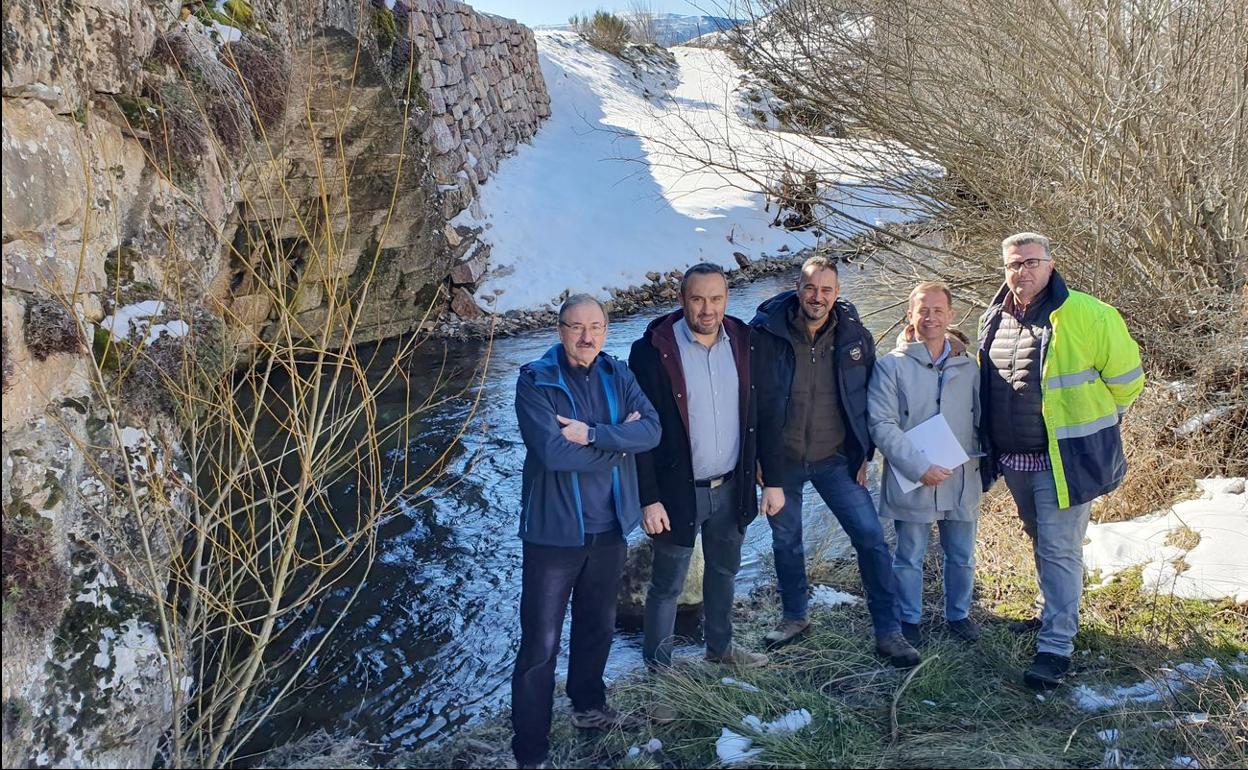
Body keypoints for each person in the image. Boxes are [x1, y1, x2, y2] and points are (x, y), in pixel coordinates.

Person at [978, 232, 1144, 689]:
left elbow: (1127, 381)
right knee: (1039, 539)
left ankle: (1056, 646)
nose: (1022, 271)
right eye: (1014, 264)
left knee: (1058, 547)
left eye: (1031, 262)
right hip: (1015, 460)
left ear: (1051, 265)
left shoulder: (1091, 315)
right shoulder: (994, 317)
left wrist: (1101, 423)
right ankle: (1051, 611)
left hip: (1065, 460)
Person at [511, 294, 661, 769]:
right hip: (554, 534)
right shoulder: (535, 380)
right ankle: (530, 749)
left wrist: (594, 434)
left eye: (595, 326)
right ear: (560, 330)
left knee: (597, 626)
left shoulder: (619, 374)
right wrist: (620, 441)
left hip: (610, 527)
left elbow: (653, 430)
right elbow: (554, 454)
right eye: (576, 327)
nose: (586, 336)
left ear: (605, 328)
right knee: (541, 643)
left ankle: (588, 709)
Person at [750, 254, 920, 668]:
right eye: (810, 288)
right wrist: (755, 457)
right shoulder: (764, 333)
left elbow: (870, 397)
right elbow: (749, 398)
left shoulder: (855, 338)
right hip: (781, 461)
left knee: (871, 539)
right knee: (787, 542)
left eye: (826, 290)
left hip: (836, 460)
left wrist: (864, 453)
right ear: (797, 289)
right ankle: (794, 618)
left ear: (837, 293)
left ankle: (888, 631)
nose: (817, 297)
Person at [629, 263, 784, 677]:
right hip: (679, 490)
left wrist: (774, 479)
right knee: (667, 586)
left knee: (723, 572)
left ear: (727, 299)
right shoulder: (653, 349)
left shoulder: (746, 342)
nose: (707, 308)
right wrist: (648, 497)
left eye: (716, 298)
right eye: (697, 299)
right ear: (682, 300)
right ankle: (659, 674)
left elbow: (765, 415)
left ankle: (720, 648)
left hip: (732, 486)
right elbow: (640, 432)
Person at [868, 281, 982, 649]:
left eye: (938, 310)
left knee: (962, 554)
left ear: (951, 316)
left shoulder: (970, 367)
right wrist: (919, 467)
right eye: (923, 310)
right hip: (912, 475)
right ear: (910, 315)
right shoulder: (890, 367)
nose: (930, 318)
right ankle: (909, 619)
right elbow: (881, 424)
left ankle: (959, 615)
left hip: (961, 475)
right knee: (909, 555)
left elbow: (981, 419)